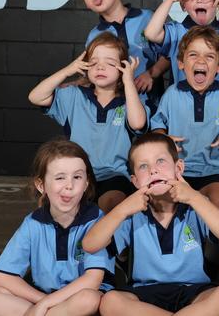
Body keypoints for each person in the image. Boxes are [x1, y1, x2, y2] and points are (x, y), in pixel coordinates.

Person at [82, 132, 219, 315]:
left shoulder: (196, 205)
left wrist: (194, 197)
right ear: (134, 181)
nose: (153, 170)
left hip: (194, 291)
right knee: (110, 301)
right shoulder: (132, 214)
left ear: (179, 168)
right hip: (144, 293)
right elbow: (90, 244)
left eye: (160, 161)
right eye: (143, 166)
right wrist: (123, 208)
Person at [0, 139, 114, 316]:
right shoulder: (33, 223)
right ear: (41, 185)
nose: (69, 185)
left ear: (86, 184)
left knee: (88, 299)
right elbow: (2, 276)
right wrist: (43, 303)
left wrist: (45, 306)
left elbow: (92, 280)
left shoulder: (96, 220)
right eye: (60, 177)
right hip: (43, 299)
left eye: (77, 177)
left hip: (78, 303)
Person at [28, 32, 147, 213]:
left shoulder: (130, 101)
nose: (100, 67)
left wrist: (128, 81)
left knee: (113, 205)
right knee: (62, 210)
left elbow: (138, 123)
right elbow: (35, 96)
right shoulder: (74, 95)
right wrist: (68, 70)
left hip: (113, 175)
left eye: (109, 63)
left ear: (123, 67)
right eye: (94, 62)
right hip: (76, 174)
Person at [150, 25, 219, 214]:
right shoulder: (172, 94)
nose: (201, 61)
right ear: (181, 63)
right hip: (178, 170)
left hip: (216, 170)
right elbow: (157, 125)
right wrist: (164, 139)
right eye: (193, 55)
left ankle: (217, 243)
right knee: (161, 205)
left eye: (209, 57)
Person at [77, 0, 170, 111]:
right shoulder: (94, 36)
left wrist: (152, 74)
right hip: (117, 111)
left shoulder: (147, 18)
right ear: (86, 3)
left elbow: (170, 54)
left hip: (151, 103)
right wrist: (73, 84)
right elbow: (92, 76)